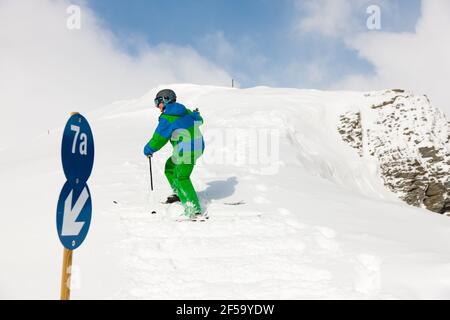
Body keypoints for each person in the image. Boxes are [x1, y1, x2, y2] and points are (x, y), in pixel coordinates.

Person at [143, 89, 205, 218]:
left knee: (182, 177)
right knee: (170, 167)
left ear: (165, 100)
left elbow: (159, 138)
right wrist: (196, 115)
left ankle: (193, 209)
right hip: (197, 146)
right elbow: (199, 121)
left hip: (187, 149)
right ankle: (179, 193)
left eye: (158, 102)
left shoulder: (167, 118)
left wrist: (149, 149)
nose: (157, 106)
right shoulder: (185, 111)